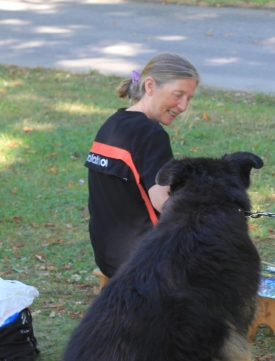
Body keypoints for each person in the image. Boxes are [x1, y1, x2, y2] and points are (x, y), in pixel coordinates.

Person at [85, 52, 201, 278]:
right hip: (145, 261)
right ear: (150, 86)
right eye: (178, 95)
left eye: (189, 98)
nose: (183, 106)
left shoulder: (112, 124)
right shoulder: (151, 134)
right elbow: (164, 204)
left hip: (108, 257)